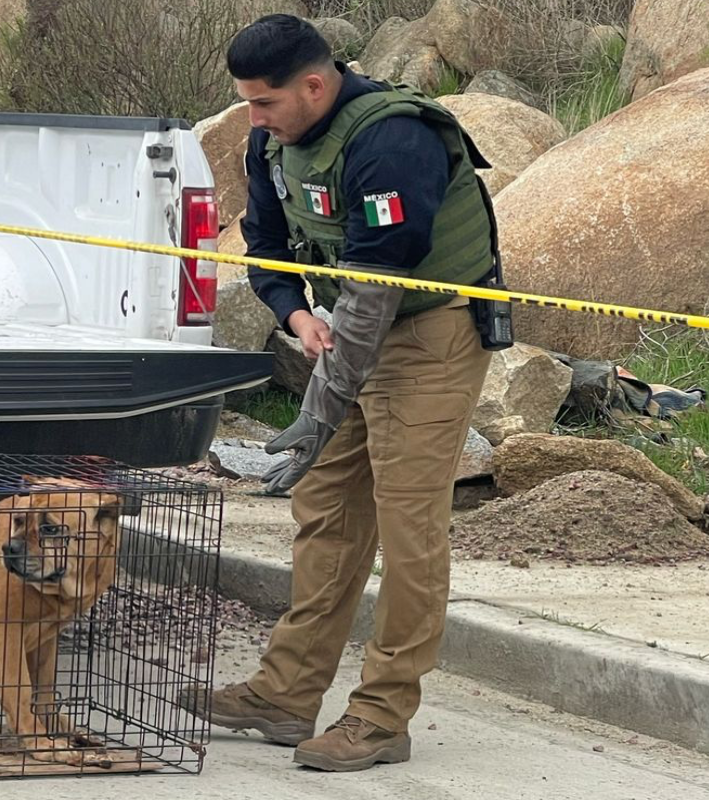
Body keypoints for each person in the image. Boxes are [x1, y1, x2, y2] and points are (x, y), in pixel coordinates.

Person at [180, 16, 499, 771]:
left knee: (409, 529)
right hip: (350, 332)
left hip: (430, 338)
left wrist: (318, 405)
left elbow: (375, 290)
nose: (252, 120)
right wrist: (294, 314)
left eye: (262, 104)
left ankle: (382, 718)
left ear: (314, 86)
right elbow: (264, 245)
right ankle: (285, 695)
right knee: (324, 511)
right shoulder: (275, 143)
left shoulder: (394, 141)